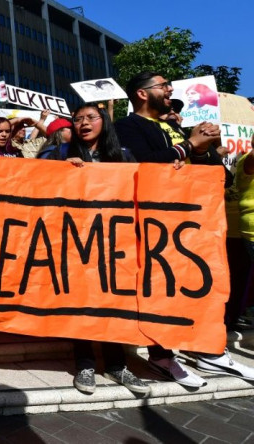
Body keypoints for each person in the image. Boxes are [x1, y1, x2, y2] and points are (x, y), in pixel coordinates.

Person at [116, 71, 254, 385]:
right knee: (159, 290)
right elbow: (141, 165)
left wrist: (203, 150)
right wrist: (190, 144)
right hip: (156, 227)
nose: (169, 90)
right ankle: (163, 358)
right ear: (142, 93)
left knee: (205, 288)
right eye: (163, 85)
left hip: (196, 226)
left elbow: (221, 179)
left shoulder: (174, 127)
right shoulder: (127, 127)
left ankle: (210, 352)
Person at [40, 104, 147, 395]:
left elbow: (146, 188)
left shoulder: (123, 156)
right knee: (82, 304)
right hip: (75, 243)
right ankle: (85, 364)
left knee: (113, 303)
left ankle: (116, 364)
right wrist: (61, 170)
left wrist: (173, 172)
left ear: (105, 122)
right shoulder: (59, 153)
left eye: (90, 118)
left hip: (116, 244)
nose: (83, 123)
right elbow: (34, 180)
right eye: (77, 119)